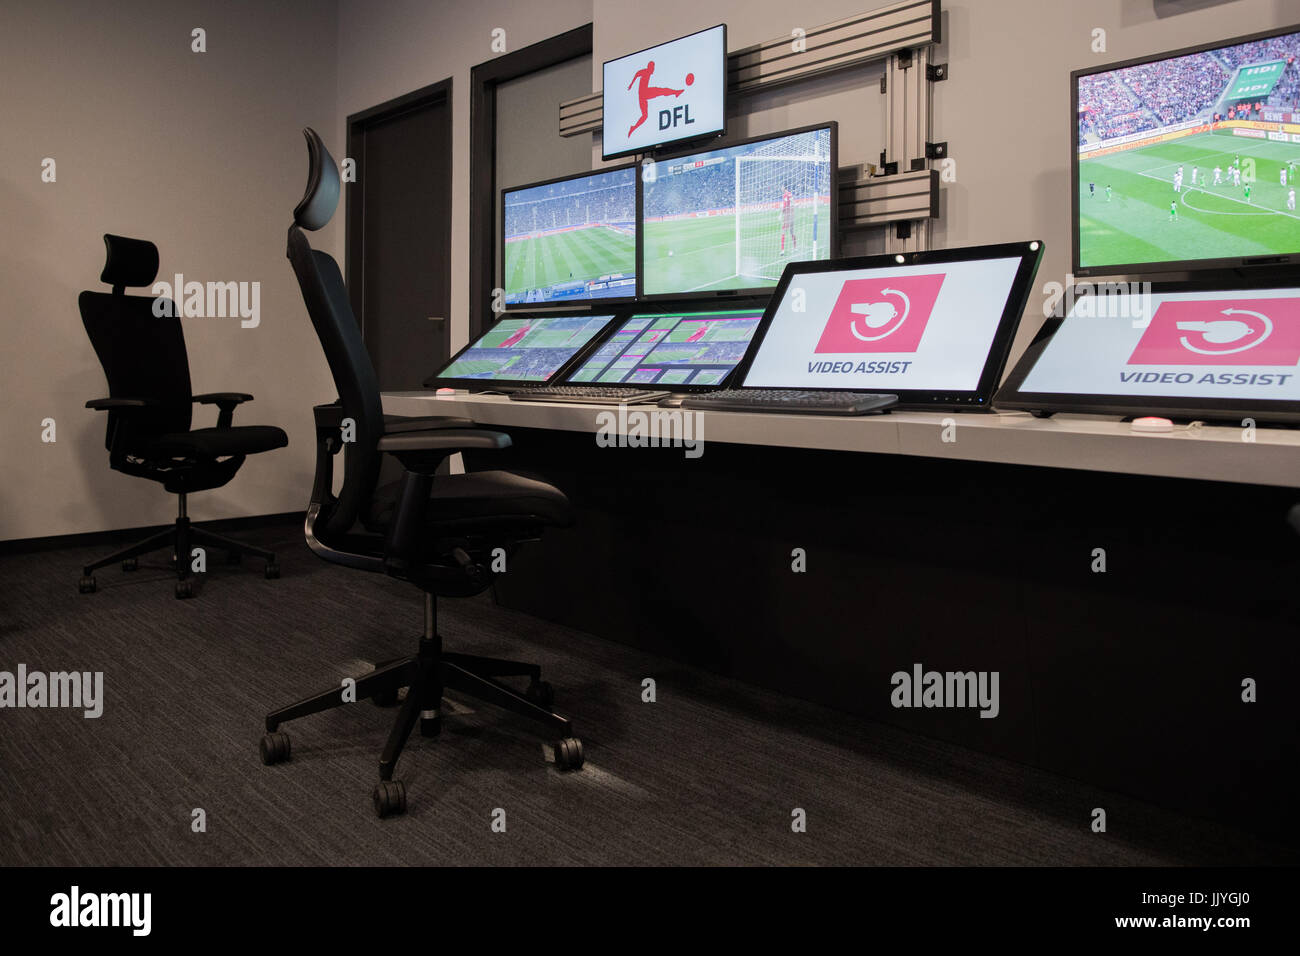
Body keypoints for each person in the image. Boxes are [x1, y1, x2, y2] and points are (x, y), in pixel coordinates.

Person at [625, 60, 684, 138]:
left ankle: (633, 128)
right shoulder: (645, 71)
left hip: (641, 96)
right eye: (653, 67)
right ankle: (675, 92)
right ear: (650, 67)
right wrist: (631, 85)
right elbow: (637, 74)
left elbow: (637, 75)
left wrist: (631, 85)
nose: (653, 70)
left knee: (645, 115)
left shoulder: (647, 72)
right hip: (645, 92)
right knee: (661, 91)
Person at [780, 186, 798, 253]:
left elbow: (785, 206)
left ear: (784, 187)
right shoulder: (790, 194)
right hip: (791, 215)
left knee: (783, 232)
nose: (781, 188)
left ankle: (782, 250)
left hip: (787, 216)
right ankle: (795, 247)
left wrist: (781, 214)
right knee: (792, 232)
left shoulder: (785, 195)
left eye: (782, 187)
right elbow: (793, 203)